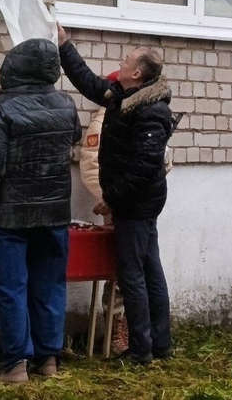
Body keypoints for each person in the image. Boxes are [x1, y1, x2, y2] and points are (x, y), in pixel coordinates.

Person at [0, 38, 82, 384]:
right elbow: (73, 139)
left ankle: (15, 366)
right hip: (55, 212)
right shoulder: (66, 103)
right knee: (50, 285)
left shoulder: (2, 108)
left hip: (11, 216)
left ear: (14, 67)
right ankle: (49, 359)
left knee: (13, 287)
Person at [57, 24, 174, 365]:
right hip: (136, 203)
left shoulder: (151, 111)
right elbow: (89, 82)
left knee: (133, 274)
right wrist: (65, 46)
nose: (119, 63)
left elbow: (144, 166)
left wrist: (113, 199)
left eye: (125, 61)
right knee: (150, 269)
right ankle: (159, 344)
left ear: (136, 73)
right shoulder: (123, 98)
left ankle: (141, 350)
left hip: (137, 205)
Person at [79, 71, 129, 356]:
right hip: (117, 206)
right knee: (119, 272)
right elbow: (90, 169)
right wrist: (109, 200)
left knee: (131, 272)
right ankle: (115, 331)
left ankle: (130, 328)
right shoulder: (102, 121)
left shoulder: (130, 115)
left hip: (136, 202)